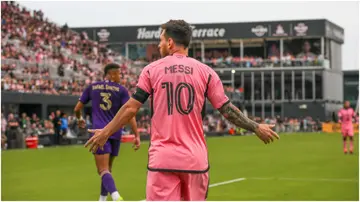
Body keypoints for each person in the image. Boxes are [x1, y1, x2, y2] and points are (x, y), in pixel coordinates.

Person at [85, 20, 279, 201]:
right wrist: (255, 127)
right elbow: (227, 109)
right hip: (196, 161)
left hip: (163, 160)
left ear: (170, 42)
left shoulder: (151, 70)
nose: (159, 45)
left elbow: (130, 108)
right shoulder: (206, 72)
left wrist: (105, 132)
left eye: (160, 40)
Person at [74, 63, 141, 201]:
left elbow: (77, 108)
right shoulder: (121, 90)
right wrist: (137, 135)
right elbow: (130, 113)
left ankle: (116, 197)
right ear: (111, 74)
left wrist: (80, 119)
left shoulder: (92, 87)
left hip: (99, 132)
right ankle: (102, 199)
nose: (121, 77)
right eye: (119, 74)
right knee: (108, 170)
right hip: (115, 132)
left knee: (102, 170)